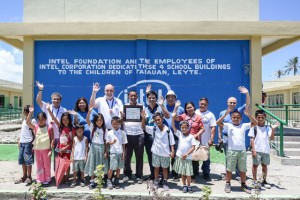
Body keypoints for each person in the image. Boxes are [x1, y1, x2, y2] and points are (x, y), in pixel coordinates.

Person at [216, 108, 257, 194]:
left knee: (242, 169)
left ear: (241, 118)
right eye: (234, 117)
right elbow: (218, 123)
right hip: (231, 151)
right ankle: (228, 183)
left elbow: (255, 123)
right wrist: (224, 115)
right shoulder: (228, 125)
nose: (236, 119)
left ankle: (243, 184)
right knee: (229, 169)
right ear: (231, 118)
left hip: (242, 151)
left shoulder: (244, 125)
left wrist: (249, 115)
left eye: (238, 117)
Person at [218, 86, 250, 179]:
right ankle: (228, 174)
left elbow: (247, 104)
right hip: (225, 137)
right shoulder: (222, 113)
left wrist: (247, 93)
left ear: (236, 104)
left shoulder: (239, 111)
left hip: (236, 137)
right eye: (230, 102)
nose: (232, 104)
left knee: (238, 155)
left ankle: (238, 174)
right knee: (228, 156)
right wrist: (219, 136)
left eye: (234, 103)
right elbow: (219, 125)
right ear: (227, 103)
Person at [36, 81, 67, 171]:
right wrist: (40, 89)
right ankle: (46, 175)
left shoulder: (63, 110)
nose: (56, 100)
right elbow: (38, 100)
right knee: (46, 156)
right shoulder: (47, 106)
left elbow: (63, 124)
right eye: (54, 99)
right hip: (47, 136)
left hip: (58, 136)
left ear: (60, 100)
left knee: (57, 156)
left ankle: (56, 173)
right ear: (51, 99)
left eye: (57, 99)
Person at [142, 112, 175, 191]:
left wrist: (172, 151)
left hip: (165, 153)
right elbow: (143, 127)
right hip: (156, 152)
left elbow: (172, 142)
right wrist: (143, 118)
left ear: (162, 119)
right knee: (156, 168)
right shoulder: (153, 129)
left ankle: (165, 182)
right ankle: (156, 181)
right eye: (156, 120)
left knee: (165, 169)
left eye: (159, 120)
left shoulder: (168, 130)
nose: (157, 121)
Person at [173, 101, 204, 182]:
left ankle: (193, 176)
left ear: (194, 107)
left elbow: (202, 129)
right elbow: (174, 117)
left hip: (194, 140)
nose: (189, 109)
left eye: (190, 107)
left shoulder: (198, 117)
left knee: (193, 159)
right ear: (185, 109)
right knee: (185, 158)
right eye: (187, 108)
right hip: (185, 141)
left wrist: (196, 135)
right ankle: (184, 175)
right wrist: (176, 107)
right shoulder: (183, 116)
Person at [144, 85, 170, 180]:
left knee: (162, 154)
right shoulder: (144, 109)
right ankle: (153, 174)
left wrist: (162, 105)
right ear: (147, 99)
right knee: (151, 155)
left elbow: (167, 116)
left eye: (153, 98)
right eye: (149, 98)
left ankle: (163, 175)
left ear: (156, 99)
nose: (151, 99)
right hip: (148, 135)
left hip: (160, 135)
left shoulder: (160, 108)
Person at [249, 110, 278, 189]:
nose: (261, 118)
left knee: (264, 166)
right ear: (256, 117)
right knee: (255, 166)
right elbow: (252, 139)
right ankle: (254, 180)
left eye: (262, 117)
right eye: (259, 117)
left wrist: (273, 129)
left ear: (265, 117)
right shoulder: (254, 127)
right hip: (257, 150)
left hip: (265, 150)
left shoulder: (268, 128)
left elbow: (271, 138)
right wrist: (253, 150)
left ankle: (264, 180)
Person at [47, 105, 75, 184]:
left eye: (67, 120)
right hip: (60, 149)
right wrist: (49, 110)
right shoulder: (60, 127)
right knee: (60, 163)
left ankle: (67, 177)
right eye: (63, 120)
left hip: (67, 149)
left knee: (67, 163)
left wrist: (66, 148)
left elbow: (72, 141)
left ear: (69, 120)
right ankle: (61, 176)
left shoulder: (71, 129)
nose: (65, 121)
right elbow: (54, 119)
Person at [26, 106, 53, 185]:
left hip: (46, 150)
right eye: (39, 119)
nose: (41, 121)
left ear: (46, 119)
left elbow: (52, 139)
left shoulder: (49, 127)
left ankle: (47, 178)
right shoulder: (35, 127)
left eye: (43, 119)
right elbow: (28, 122)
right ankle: (39, 179)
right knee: (39, 165)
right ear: (37, 120)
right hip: (37, 150)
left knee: (47, 165)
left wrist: (51, 150)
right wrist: (30, 113)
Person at [122, 90, 145, 184]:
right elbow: (121, 121)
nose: (133, 97)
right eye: (131, 96)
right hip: (127, 134)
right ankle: (127, 174)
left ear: (137, 97)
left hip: (139, 134)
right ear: (128, 97)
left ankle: (139, 175)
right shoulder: (124, 107)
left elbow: (143, 125)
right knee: (127, 156)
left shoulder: (142, 107)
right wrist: (121, 117)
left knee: (139, 156)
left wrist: (143, 117)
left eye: (134, 96)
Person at [171, 114, 197, 193]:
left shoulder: (191, 137)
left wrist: (186, 154)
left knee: (188, 174)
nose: (184, 129)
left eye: (186, 127)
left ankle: (189, 185)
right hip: (180, 157)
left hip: (187, 158)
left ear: (188, 128)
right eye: (182, 128)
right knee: (182, 173)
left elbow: (193, 147)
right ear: (180, 128)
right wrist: (172, 118)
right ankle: (184, 185)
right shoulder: (179, 134)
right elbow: (173, 126)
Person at [84, 107, 108, 189]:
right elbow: (87, 120)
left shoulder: (105, 130)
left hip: (101, 148)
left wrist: (105, 151)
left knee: (100, 164)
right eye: (98, 120)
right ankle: (92, 181)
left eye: (101, 120)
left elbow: (105, 141)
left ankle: (99, 180)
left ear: (103, 121)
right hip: (93, 148)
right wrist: (89, 111)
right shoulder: (93, 127)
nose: (99, 122)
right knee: (93, 163)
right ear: (95, 121)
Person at [164, 90, 185, 182]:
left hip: (176, 135)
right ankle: (166, 172)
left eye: (172, 97)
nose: (170, 98)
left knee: (175, 154)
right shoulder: (163, 107)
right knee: (165, 153)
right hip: (165, 134)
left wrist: (176, 109)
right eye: (168, 97)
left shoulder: (180, 109)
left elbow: (181, 120)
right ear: (166, 99)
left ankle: (175, 173)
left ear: (175, 98)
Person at [195, 97, 216, 180]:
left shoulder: (210, 115)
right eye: (201, 104)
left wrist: (211, 139)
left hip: (206, 140)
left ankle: (206, 173)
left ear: (207, 105)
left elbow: (213, 127)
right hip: (195, 140)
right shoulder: (195, 112)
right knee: (195, 156)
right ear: (199, 104)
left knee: (206, 158)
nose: (202, 105)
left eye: (204, 104)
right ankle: (195, 171)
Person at [15, 105, 35, 185]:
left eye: (25, 111)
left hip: (28, 143)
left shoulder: (32, 120)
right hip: (22, 143)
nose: (24, 112)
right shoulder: (23, 120)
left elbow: (34, 131)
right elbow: (22, 131)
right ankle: (24, 176)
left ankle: (29, 177)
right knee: (22, 160)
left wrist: (33, 142)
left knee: (28, 161)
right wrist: (19, 140)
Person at [106, 116, 128, 190]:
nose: (115, 125)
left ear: (119, 124)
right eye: (113, 124)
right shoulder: (109, 133)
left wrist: (124, 153)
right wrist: (113, 142)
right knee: (112, 167)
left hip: (120, 152)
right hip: (113, 153)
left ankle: (116, 179)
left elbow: (123, 144)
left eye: (117, 124)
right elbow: (107, 143)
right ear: (111, 124)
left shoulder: (123, 133)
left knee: (119, 167)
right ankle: (109, 180)